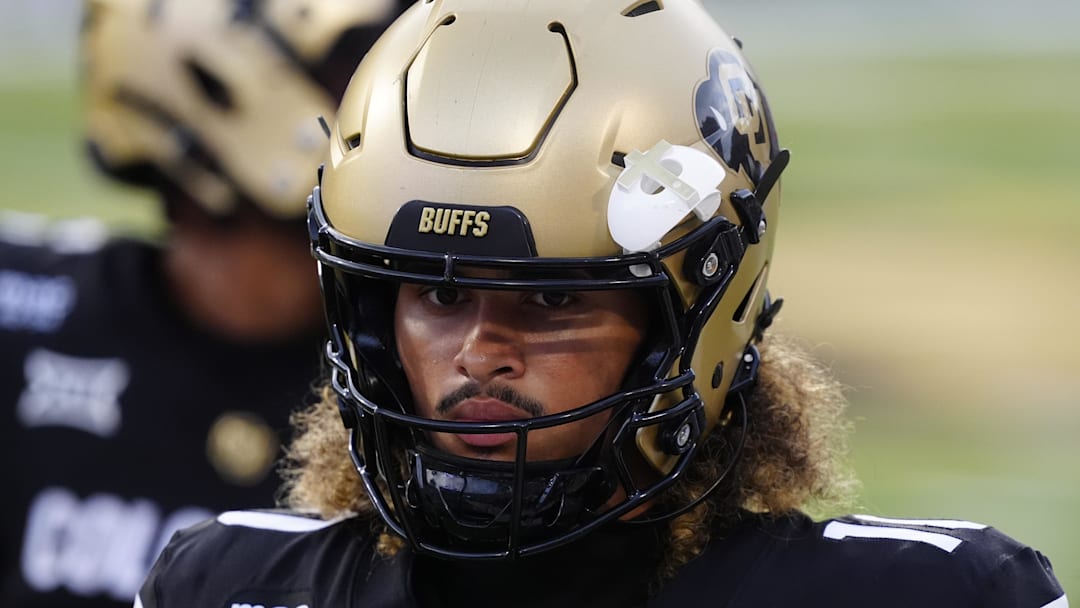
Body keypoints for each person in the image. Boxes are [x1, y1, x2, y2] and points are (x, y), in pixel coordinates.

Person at [134, 0, 1069, 606]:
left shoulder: (929, 596)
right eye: (437, 290)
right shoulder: (232, 585)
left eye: (548, 298)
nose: (480, 353)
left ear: (700, 309)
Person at [0, 0, 407, 605]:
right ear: (216, 84)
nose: (401, 114)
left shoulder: (430, 349)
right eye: (353, 74)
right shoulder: (27, 316)